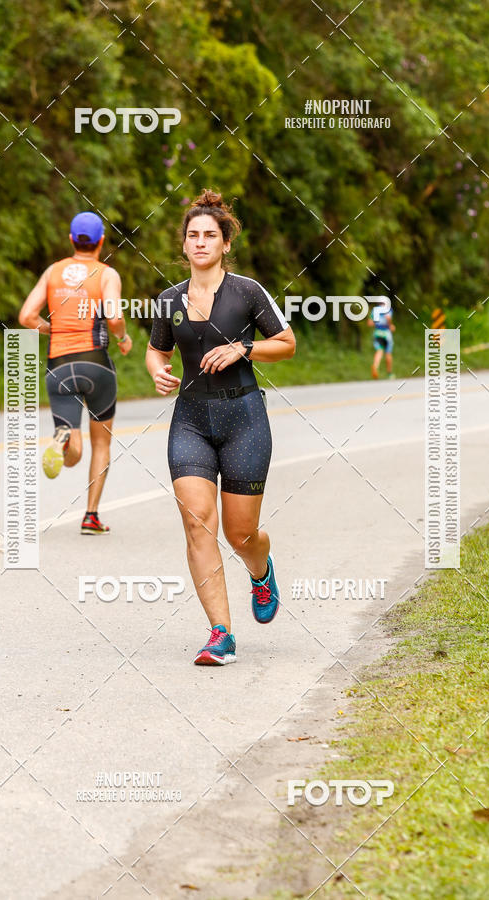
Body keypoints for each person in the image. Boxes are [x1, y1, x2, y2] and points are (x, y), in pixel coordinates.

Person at [146, 189, 295, 665]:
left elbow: (287, 343)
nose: (201, 242)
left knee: (240, 534)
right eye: (193, 235)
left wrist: (243, 348)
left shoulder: (248, 291)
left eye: (210, 235)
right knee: (196, 523)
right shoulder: (169, 300)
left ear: (225, 243)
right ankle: (221, 634)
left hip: (244, 418)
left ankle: (261, 570)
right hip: (189, 420)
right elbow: (157, 348)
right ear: (184, 245)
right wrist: (155, 368)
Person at [18, 211, 132, 534]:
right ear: (101, 242)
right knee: (102, 445)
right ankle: (91, 516)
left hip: (59, 366)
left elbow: (27, 315)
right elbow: (113, 316)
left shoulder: (53, 271)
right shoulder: (106, 274)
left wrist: (50, 328)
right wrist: (123, 339)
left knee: (73, 448)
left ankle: (64, 440)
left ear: (71, 240)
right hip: (96, 365)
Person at [368, 302, 395, 379]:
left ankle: (375, 366)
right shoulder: (388, 310)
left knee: (379, 351)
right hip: (386, 334)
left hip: (377, 333)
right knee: (388, 353)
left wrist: (377, 324)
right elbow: (389, 319)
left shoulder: (374, 310)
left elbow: (369, 323)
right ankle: (389, 373)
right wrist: (390, 325)